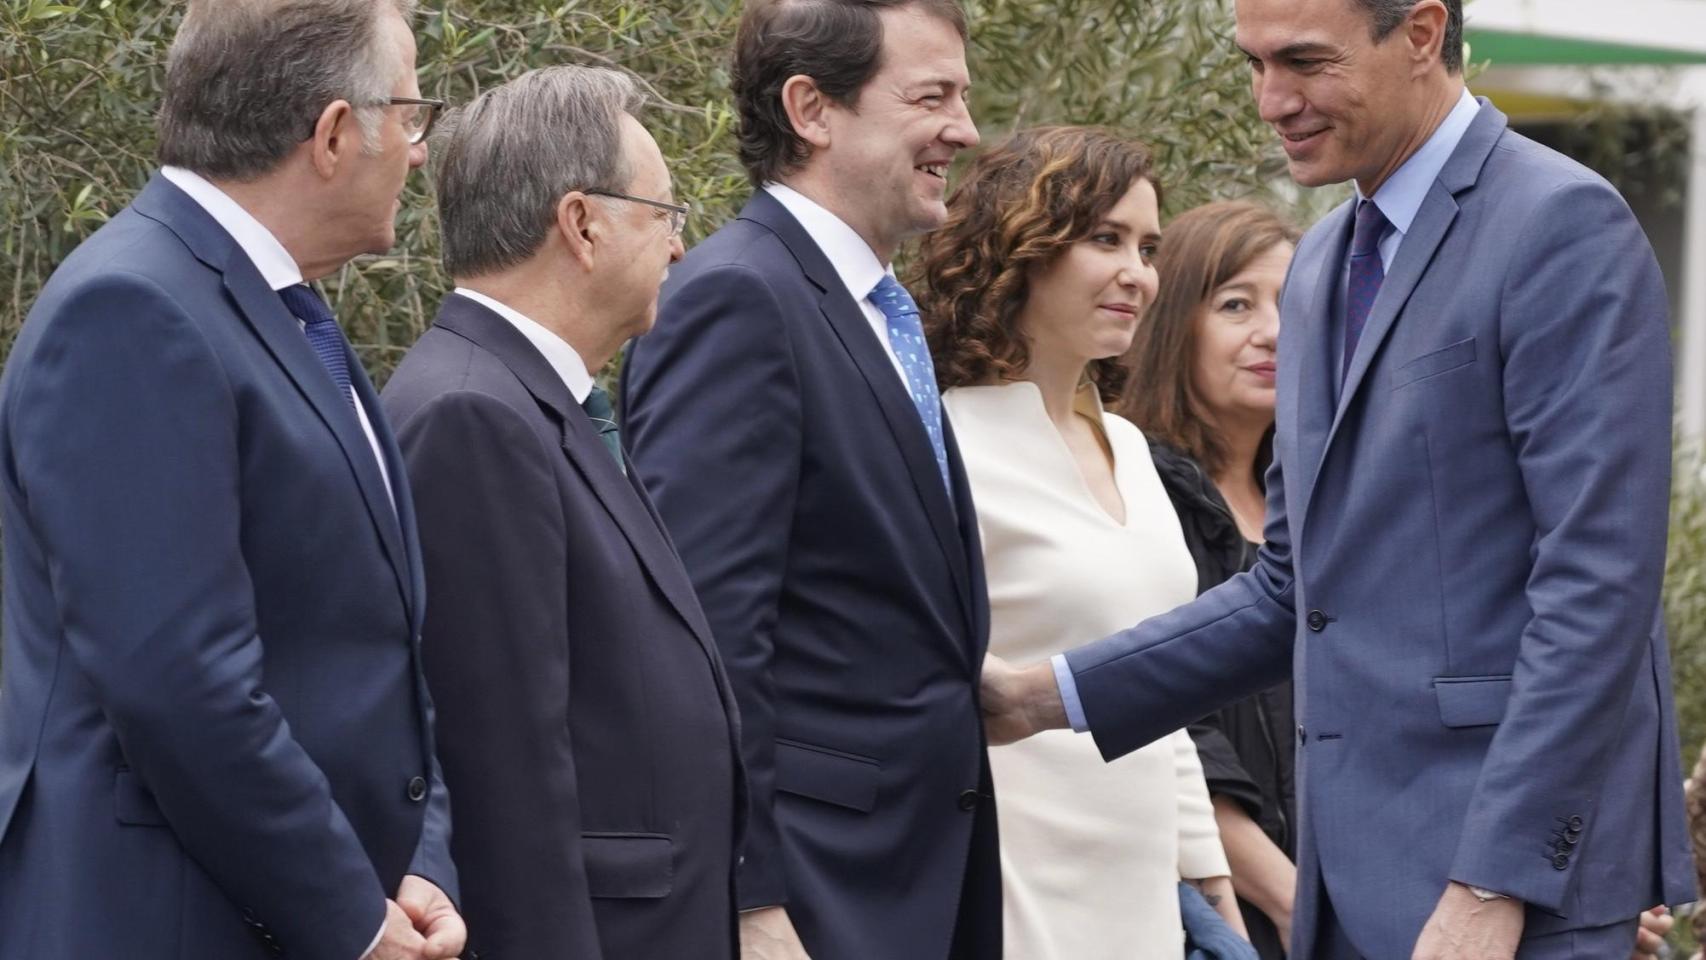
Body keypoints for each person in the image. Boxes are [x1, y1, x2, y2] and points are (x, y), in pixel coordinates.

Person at [978, 0, 1695, 957]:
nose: (1273, 100)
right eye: (1255, 64)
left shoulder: (1560, 226)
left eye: (1306, 63)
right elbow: (1294, 590)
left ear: (1424, 34)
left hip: (1507, 897)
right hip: (1346, 885)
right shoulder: (1317, 266)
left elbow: (1599, 587)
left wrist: (1496, 879)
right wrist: (1040, 697)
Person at [0, 1, 464, 958]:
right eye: (413, 114)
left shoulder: (277, 313)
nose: (418, 152)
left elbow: (366, 640)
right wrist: (348, 915)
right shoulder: (133, 308)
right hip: (167, 918)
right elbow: (180, 684)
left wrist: (422, 858)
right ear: (335, 132)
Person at [618, 0, 996, 957]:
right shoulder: (739, 296)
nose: (966, 127)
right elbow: (706, 634)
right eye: (932, 96)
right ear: (812, 109)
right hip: (815, 897)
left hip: (916, 877)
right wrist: (749, 896)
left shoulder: (876, 305)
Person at [379, 66, 745, 960]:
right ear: (581, 223)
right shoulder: (475, 415)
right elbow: (504, 775)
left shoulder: (534, 402)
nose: (679, 250)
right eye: (666, 216)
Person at [915, 125, 1245, 958]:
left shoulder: (1133, 450)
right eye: (1106, 239)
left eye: (1148, 246)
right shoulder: (942, 446)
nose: (1138, 273)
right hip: (1010, 889)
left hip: (1145, 894)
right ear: (1021, 247)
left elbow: (1155, 679)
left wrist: (1205, 873)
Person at [1117, 200, 1299, 958]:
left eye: (1294, 306)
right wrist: (1293, 902)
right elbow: (1166, 728)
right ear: (1174, 321)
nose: (1274, 332)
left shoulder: (1316, 503)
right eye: (1236, 304)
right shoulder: (1133, 488)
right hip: (1216, 910)